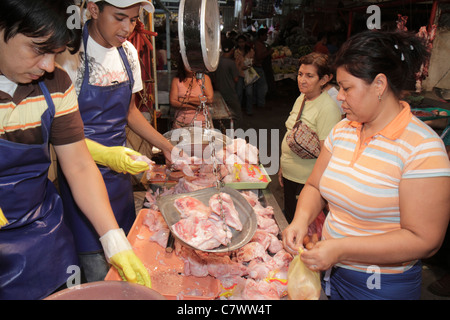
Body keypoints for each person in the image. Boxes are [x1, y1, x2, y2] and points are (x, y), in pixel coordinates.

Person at [282, 30, 450, 300]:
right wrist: (301, 221)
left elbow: (424, 240)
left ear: (379, 84)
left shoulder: (422, 148)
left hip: (383, 285)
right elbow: (314, 186)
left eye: (347, 88)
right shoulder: (342, 131)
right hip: (330, 271)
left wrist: (341, 249)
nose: (339, 96)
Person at [0, 0, 150, 300]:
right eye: (38, 49)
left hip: (44, 239)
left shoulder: (55, 83)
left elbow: (79, 164)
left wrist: (114, 240)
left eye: (54, 53)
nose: (47, 66)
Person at [57, 0, 174, 282]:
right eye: (120, 17)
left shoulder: (128, 52)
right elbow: (59, 133)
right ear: (94, 10)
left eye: (133, 20)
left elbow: (130, 112)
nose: (127, 28)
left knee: (126, 251)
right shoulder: (69, 55)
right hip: (80, 174)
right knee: (99, 268)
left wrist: (169, 148)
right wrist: (105, 155)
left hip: (121, 175)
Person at [278, 52, 341, 223]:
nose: (302, 80)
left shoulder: (328, 109)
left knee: (303, 228)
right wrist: (283, 166)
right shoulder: (301, 98)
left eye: (309, 76)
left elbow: (325, 154)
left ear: (324, 79)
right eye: (300, 74)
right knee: (289, 219)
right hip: (291, 176)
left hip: (306, 183)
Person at [169, 52, 214, 129]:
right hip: (181, 124)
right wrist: (197, 104)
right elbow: (173, 102)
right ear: (182, 64)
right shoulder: (176, 81)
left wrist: (185, 99)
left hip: (202, 124)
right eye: (187, 63)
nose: (190, 66)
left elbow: (209, 99)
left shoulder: (204, 79)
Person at [214, 38, 242, 128]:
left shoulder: (216, 62)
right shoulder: (231, 63)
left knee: (220, 115)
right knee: (236, 114)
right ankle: (234, 134)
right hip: (230, 92)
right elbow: (236, 79)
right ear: (232, 50)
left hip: (218, 92)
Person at [234, 34, 255, 116]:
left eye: (242, 42)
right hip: (239, 74)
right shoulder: (236, 51)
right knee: (239, 93)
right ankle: (238, 111)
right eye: (239, 42)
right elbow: (235, 63)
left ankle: (249, 110)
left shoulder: (250, 50)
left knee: (249, 93)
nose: (241, 44)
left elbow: (253, 60)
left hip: (248, 73)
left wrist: (249, 64)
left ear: (245, 42)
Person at [253, 28, 273, 109]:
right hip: (258, 67)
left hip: (259, 68)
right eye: (265, 35)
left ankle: (256, 102)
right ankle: (260, 104)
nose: (267, 37)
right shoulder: (258, 45)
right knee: (262, 87)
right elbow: (258, 57)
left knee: (257, 87)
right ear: (261, 36)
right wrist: (269, 52)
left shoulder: (261, 44)